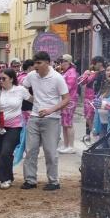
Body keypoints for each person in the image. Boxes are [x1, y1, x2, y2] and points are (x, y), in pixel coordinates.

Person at [22, 51, 70, 191]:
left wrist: (51, 110)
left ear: (47, 63)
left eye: (39, 63)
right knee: (30, 150)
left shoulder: (57, 78)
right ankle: (30, 180)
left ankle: (53, 181)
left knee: (50, 151)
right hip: (34, 116)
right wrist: (31, 99)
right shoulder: (32, 76)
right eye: (34, 63)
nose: (36, 66)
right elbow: (23, 87)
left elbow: (66, 99)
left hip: (52, 119)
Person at [0, 69, 30, 188]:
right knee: (0, 152)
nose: (1, 81)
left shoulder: (20, 90)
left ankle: (4, 179)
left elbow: (33, 100)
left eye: (4, 78)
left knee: (5, 152)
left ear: (11, 79)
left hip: (15, 126)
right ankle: (8, 177)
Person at [56, 55, 80, 154]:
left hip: (70, 101)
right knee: (64, 124)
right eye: (61, 61)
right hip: (64, 100)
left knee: (68, 123)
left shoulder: (72, 73)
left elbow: (67, 87)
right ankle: (66, 145)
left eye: (63, 61)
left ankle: (71, 146)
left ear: (68, 62)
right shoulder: (66, 72)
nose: (61, 64)